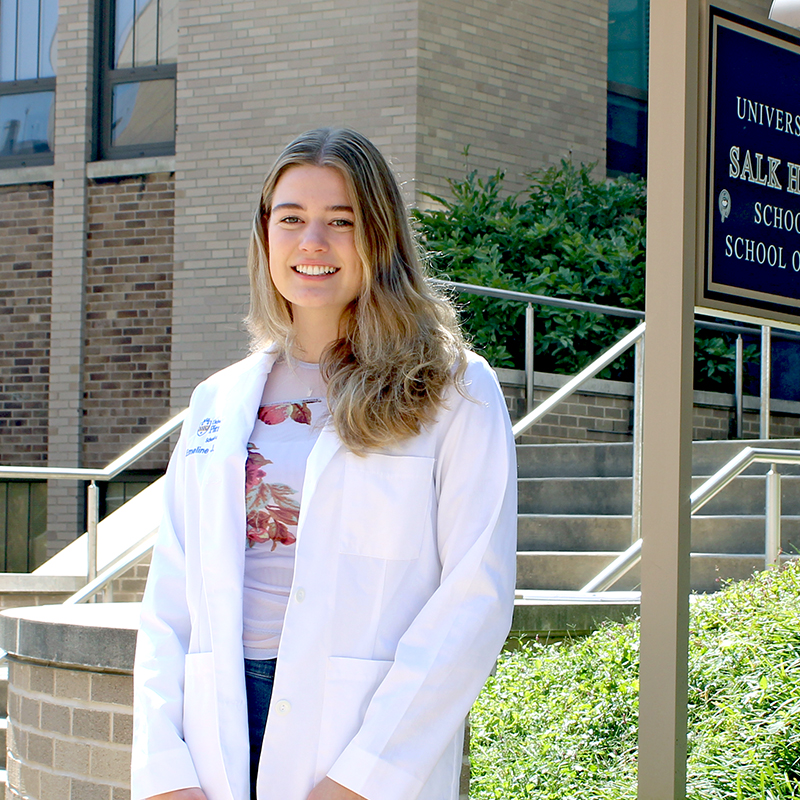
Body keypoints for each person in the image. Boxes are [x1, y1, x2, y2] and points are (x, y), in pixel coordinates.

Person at [131, 127, 517, 800]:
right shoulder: (217, 401)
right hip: (216, 722)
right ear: (266, 235)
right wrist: (166, 770)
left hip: (359, 730)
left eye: (341, 222)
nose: (313, 243)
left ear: (380, 237)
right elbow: (169, 604)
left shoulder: (454, 389)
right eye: (292, 220)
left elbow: (473, 599)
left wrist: (364, 778)